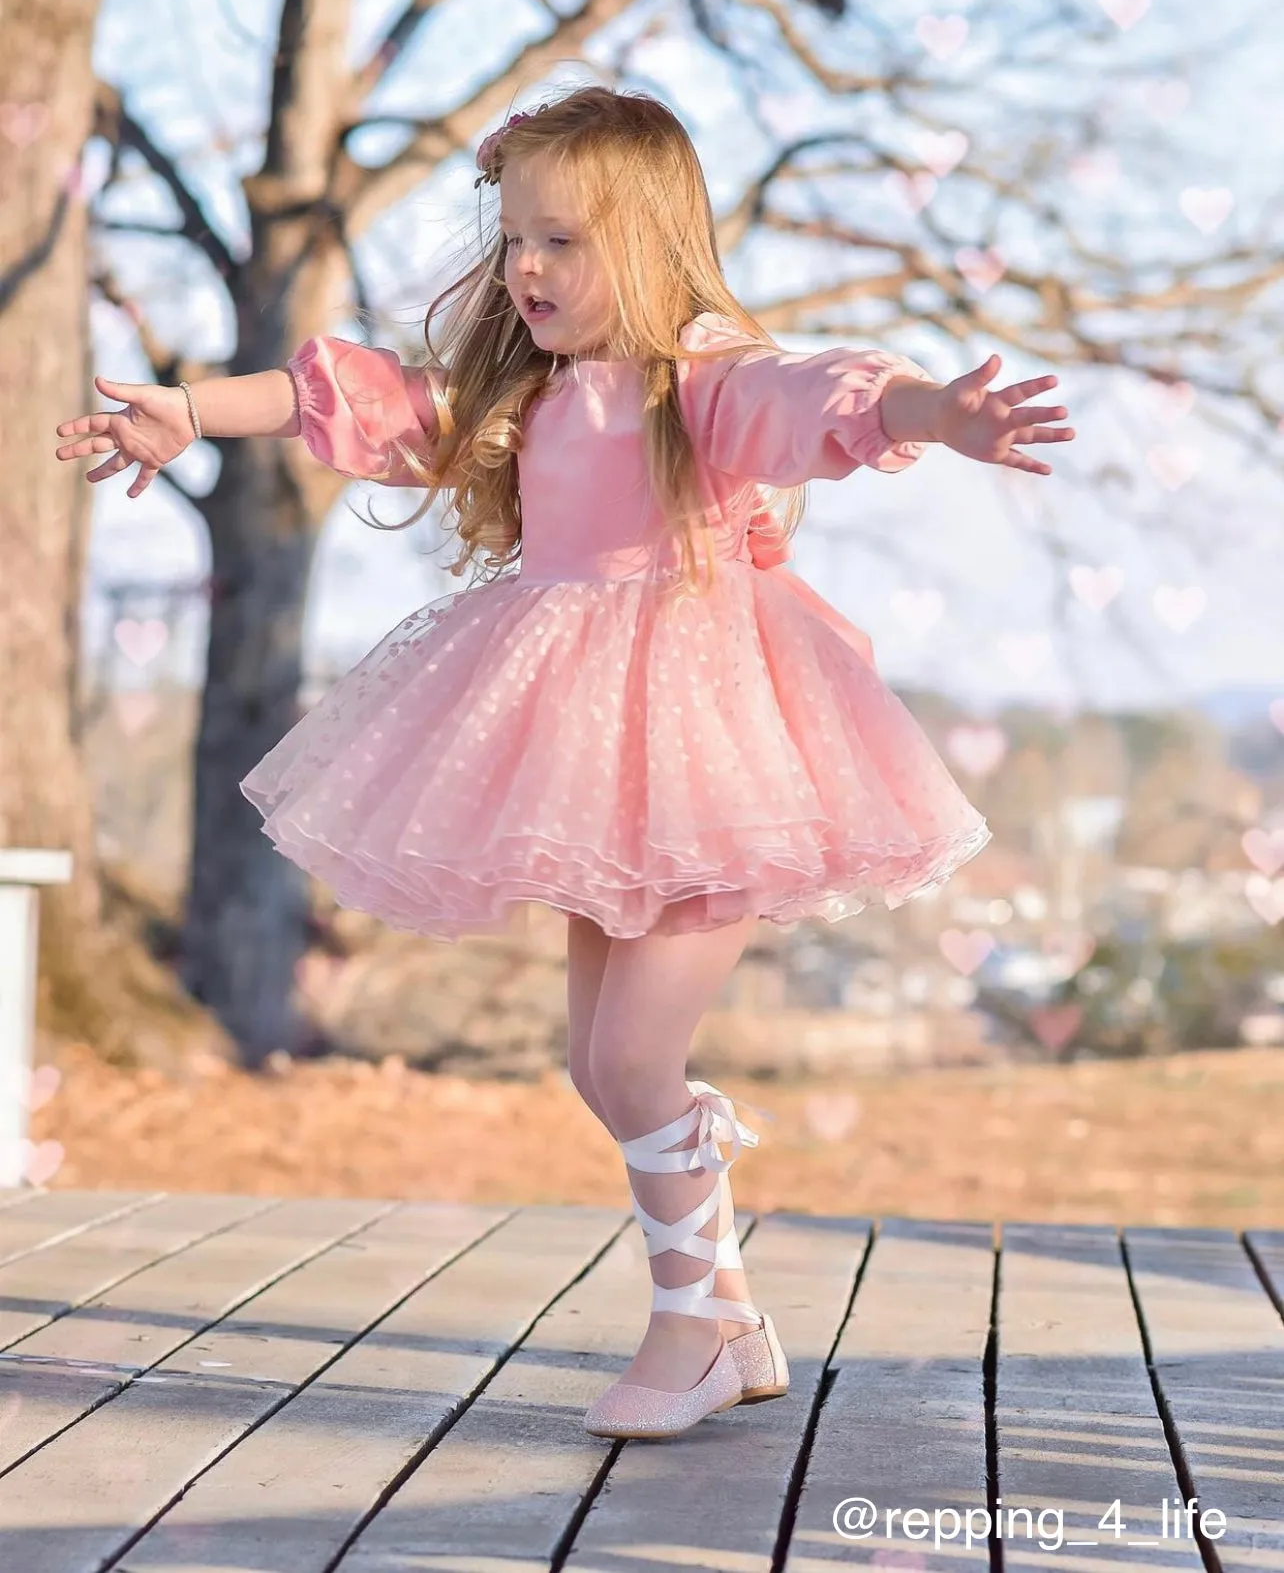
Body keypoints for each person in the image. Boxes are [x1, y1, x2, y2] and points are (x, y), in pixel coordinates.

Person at [54, 86, 1074, 1441]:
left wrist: (935, 409)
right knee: (600, 1062)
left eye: (564, 243)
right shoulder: (525, 396)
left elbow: (810, 396)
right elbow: (365, 401)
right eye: (515, 238)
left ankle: (691, 1324)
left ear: (647, 247)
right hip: (593, 749)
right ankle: (733, 1314)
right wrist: (190, 403)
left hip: (718, 750)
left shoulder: (696, 382)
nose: (526, 269)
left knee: (640, 1054)